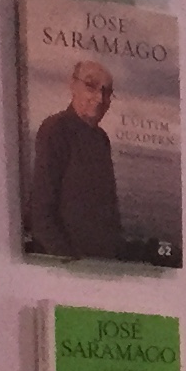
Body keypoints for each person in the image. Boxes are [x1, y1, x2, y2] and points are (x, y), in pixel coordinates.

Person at [26, 59, 125, 261]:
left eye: (106, 92)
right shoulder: (56, 129)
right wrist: (69, 262)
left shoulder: (101, 138)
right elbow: (40, 212)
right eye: (91, 86)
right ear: (73, 85)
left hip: (101, 260)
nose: (99, 98)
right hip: (71, 262)